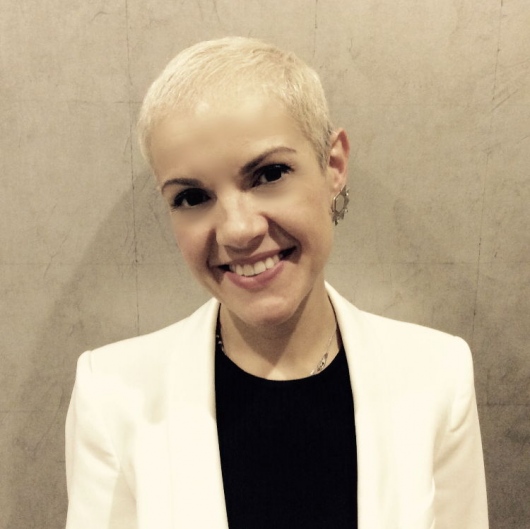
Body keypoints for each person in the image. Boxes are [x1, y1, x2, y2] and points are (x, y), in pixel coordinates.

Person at [65, 37, 488, 529]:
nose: (238, 230)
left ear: (333, 166)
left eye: (269, 174)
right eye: (192, 197)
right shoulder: (112, 395)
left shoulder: (436, 375)